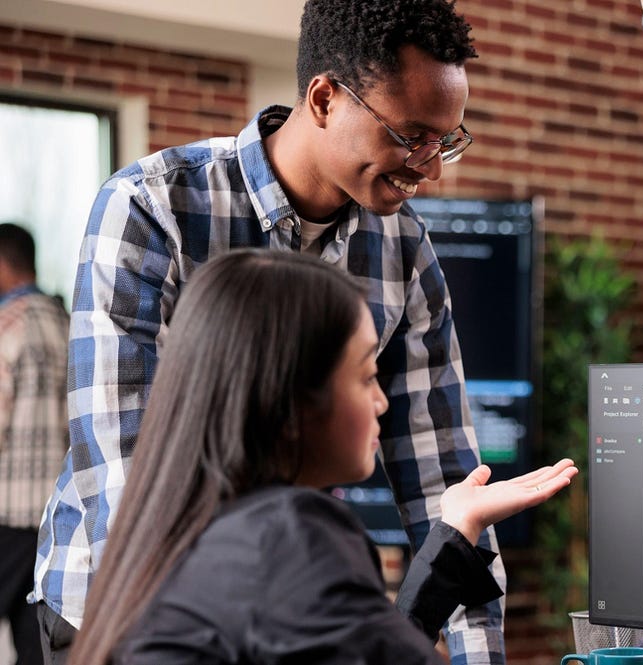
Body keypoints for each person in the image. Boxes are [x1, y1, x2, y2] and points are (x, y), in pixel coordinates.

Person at [31, 0, 506, 661]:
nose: (431, 169)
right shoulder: (153, 205)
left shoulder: (406, 251)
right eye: (410, 137)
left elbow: (442, 480)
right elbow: (123, 467)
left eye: (446, 141)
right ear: (323, 98)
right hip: (123, 609)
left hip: (287, 612)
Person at [64, 250, 577, 665]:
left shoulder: (186, 531)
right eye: (366, 376)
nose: (382, 402)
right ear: (288, 401)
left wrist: (455, 529)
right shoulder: (289, 533)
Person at [0, 223, 69, 665]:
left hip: (5, 509)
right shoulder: (67, 322)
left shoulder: (7, 327)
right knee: (32, 639)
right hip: (52, 514)